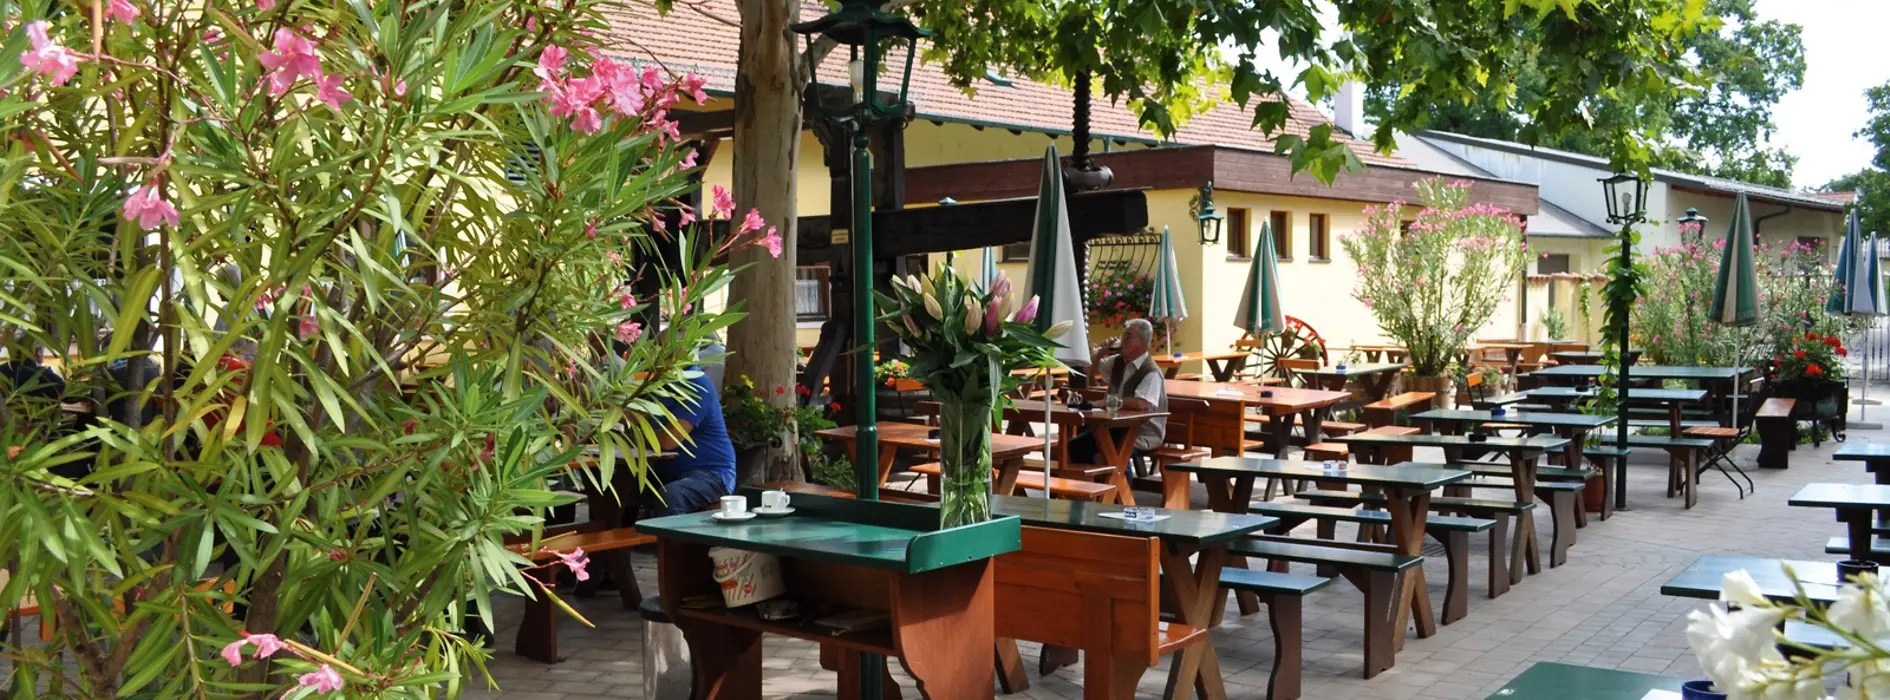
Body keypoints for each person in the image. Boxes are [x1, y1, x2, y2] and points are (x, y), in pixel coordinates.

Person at [635, 366, 737, 519]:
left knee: (670, 496)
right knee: (621, 488)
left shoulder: (697, 384)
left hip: (712, 474)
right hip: (668, 472)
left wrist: (635, 430)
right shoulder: (657, 384)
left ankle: (674, 542)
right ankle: (622, 539)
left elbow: (668, 441)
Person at [1067, 318, 1167, 464]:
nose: (1122, 340)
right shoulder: (1118, 361)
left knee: (1106, 454)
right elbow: (1089, 370)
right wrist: (1100, 354)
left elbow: (1141, 403)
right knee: (1073, 448)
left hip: (1142, 433)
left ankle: (1118, 485)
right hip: (1114, 427)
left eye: (1128, 336)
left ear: (1142, 342)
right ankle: (1090, 485)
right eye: (1123, 336)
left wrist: (1103, 403)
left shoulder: (1151, 372)